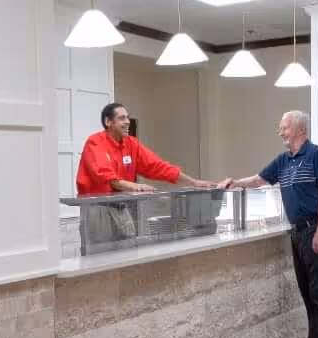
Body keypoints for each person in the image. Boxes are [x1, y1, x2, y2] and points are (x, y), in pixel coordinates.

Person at [219, 111, 318, 338]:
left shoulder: (317, 155)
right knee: (308, 292)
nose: (280, 132)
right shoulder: (283, 161)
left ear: (299, 130)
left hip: (316, 230)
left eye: (284, 128)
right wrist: (234, 182)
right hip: (298, 232)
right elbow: (259, 179)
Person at [76, 102, 216, 243]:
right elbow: (105, 175)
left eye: (128, 118)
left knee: (128, 250)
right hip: (98, 209)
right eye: (121, 118)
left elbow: (157, 166)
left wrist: (193, 182)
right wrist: (136, 187)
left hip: (121, 207)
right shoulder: (94, 142)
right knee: (100, 257)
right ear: (108, 122)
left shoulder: (131, 144)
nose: (127, 122)